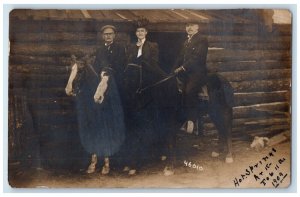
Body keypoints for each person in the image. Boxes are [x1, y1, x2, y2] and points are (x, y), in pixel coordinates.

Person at [123, 18, 167, 175]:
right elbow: (128, 63)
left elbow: (154, 63)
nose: (140, 33)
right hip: (135, 80)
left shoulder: (153, 46)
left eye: (142, 31)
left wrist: (142, 63)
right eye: (138, 31)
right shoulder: (130, 47)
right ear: (135, 33)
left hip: (149, 79)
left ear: (146, 33)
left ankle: (158, 149)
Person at [84, 25, 127, 175]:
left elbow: (120, 66)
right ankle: (95, 159)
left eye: (111, 34)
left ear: (114, 35)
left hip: (115, 84)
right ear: (103, 36)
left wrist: (108, 74)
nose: (108, 36)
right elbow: (97, 67)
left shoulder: (120, 49)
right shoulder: (100, 50)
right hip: (101, 84)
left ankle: (110, 161)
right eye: (106, 34)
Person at [173, 22, 209, 134]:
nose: (189, 28)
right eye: (187, 25)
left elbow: (197, 57)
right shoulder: (186, 42)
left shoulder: (202, 39)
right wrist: (173, 69)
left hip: (197, 73)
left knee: (189, 91)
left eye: (192, 25)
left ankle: (192, 121)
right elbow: (180, 57)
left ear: (197, 27)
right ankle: (182, 119)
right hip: (186, 73)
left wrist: (182, 68)